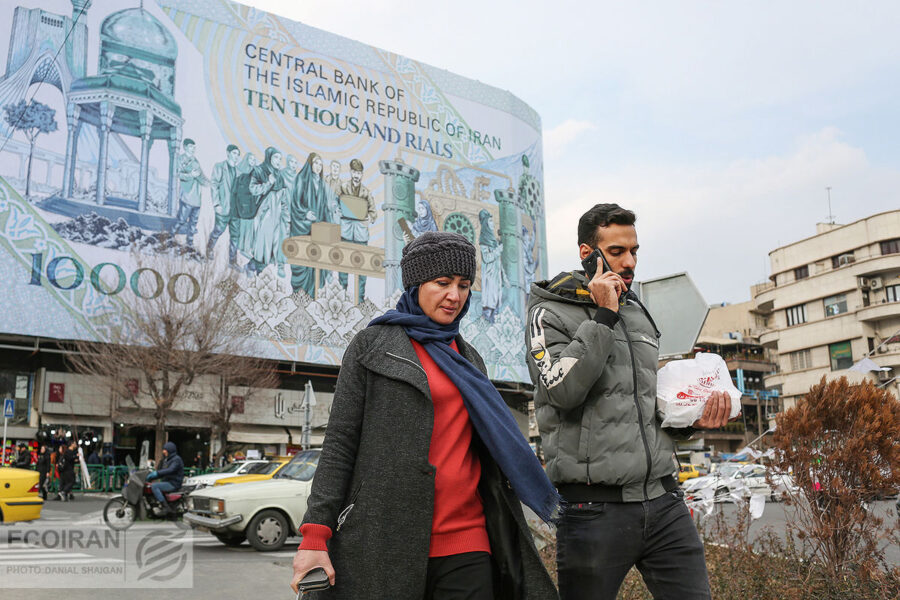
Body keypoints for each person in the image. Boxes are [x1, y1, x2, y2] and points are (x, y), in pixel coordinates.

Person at [291, 231, 559, 600]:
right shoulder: (373, 346)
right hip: (386, 541)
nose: (455, 295)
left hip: (468, 540)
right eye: (443, 282)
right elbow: (340, 444)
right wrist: (315, 534)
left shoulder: (469, 359)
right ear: (416, 283)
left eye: (464, 285)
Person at [525, 203, 732, 600]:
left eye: (634, 251)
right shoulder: (547, 312)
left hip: (663, 501)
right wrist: (603, 316)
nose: (629, 261)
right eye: (617, 251)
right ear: (588, 253)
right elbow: (561, 391)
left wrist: (691, 421)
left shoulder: (637, 313)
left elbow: (644, 406)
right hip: (593, 510)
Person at [290, 152, 338, 297]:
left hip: (318, 231)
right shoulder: (301, 180)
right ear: (310, 164)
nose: (318, 166)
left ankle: (312, 295)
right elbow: (295, 203)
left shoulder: (323, 185)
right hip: (302, 228)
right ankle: (299, 294)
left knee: (317, 261)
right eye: (315, 163)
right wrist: (305, 214)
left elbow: (327, 206)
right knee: (303, 261)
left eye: (320, 164)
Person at [337, 159, 377, 303]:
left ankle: (359, 298)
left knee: (362, 265)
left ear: (362, 174)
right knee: (343, 262)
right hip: (346, 230)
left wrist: (370, 217)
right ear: (350, 172)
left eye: (359, 173)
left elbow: (373, 212)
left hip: (360, 233)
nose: (356, 175)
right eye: (354, 172)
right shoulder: (343, 187)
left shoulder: (366, 192)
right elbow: (334, 203)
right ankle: (341, 294)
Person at [245, 147, 288, 276]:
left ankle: (256, 269)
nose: (278, 161)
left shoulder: (279, 175)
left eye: (280, 158)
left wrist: (286, 218)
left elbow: (284, 197)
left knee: (274, 247)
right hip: (264, 212)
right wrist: (268, 183)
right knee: (263, 245)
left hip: (277, 215)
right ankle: (253, 268)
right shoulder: (259, 171)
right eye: (276, 157)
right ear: (269, 157)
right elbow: (253, 190)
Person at [206, 144, 242, 262]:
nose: (236, 156)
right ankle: (209, 248)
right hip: (223, 208)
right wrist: (216, 204)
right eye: (234, 153)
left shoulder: (239, 172)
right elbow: (214, 185)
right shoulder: (220, 167)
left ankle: (232, 261)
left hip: (235, 211)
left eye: (238, 154)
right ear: (228, 153)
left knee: (235, 236)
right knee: (218, 230)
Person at [172, 138, 210, 248]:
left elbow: (201, 177)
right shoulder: (181, 159)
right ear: (185, 147)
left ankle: (189, 243)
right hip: (187, 197)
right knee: (181, 220)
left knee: (193, 223)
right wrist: (190, 175)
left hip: (197, 199)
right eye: (190, 147)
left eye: (194, 147)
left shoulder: (195, 161)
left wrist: (211, 184)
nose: (193, 149)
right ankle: (171, 236)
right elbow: (178, 174)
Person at [478, 209, 503, 323]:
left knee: (496, 298)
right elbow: (487, 258)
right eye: (491, 221)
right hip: (489, 275)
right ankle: (487, 317)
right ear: (486, 224)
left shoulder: (493, 240)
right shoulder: (484, 240)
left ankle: (493, 319)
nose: (493, 224)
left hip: (496, 275)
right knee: (490, 299)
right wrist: (498, 250)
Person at [146, 441, 184, 515]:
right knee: (151, 485)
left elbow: (170, 470)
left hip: (173, 483)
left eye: (165, 450)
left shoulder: (176, 459)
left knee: (154, 486)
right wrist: (153, 476)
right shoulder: (167, 460)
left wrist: (157, 473)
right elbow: (163, 471)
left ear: (170, 450)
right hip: (167, 481)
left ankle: (165, 507)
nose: (163, 451)